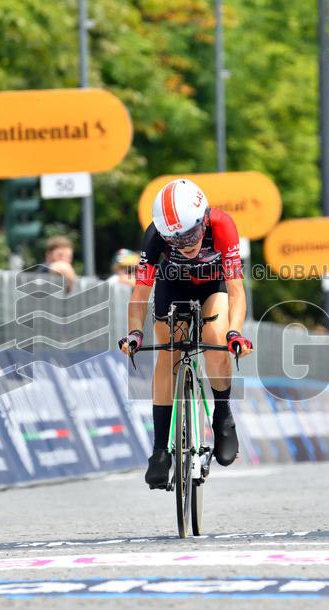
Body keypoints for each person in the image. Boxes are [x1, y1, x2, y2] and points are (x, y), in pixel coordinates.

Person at [118, 179, 253, 489]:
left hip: (213, 284)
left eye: (192, 234)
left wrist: (235, 332)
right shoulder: (154, 236)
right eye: (175, 240)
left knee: (216, 337)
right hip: (172, 284)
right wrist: (135, 334)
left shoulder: (222, 224)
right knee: (168, 352)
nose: (187, 244)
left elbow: (235, 290)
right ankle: (159, 452)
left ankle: (222, 414)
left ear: (203, 219)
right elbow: (140, 294)